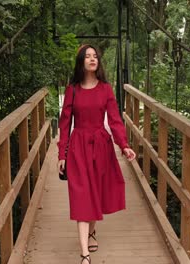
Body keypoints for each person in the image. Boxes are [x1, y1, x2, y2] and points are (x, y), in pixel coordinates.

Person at [57, 44, 136, 264]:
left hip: (101, 145)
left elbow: (115, 120)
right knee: (82, 197)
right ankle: (85, 255)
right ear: (81, 62)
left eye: (95, 57)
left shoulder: (105, 89)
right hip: (78, 147)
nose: (93, 59)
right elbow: (64, 125)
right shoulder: (73, 89)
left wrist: (124, 145)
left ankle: (92, 232)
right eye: (88, 56)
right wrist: (61, 155)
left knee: (96, 193)